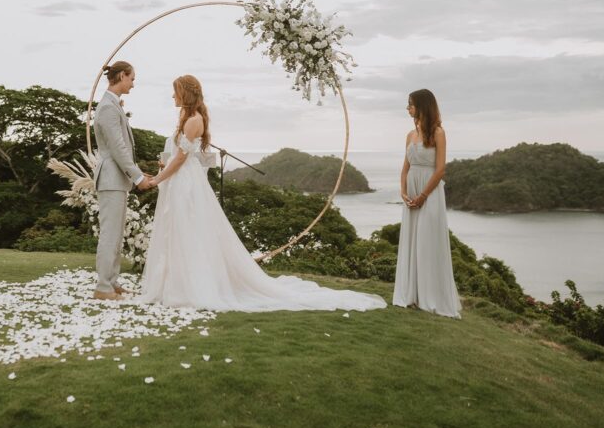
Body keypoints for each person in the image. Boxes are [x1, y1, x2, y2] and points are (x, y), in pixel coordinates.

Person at [138, 75, 387, 313]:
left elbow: (182, 158)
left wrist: (158, 179)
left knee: (189, 230)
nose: (172, 95)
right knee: (177, 229)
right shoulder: (184, 115)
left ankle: (191, 287)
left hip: (186, 182)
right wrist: (165, 169)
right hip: (178, 179)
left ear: (186, 93)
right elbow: (177, 155)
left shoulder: (194, 121)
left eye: (176, 91)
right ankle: (174, 283)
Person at [392, 88, 461, 318]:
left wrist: (422, 196)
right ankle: (410, 294)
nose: (408, 108)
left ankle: (429, 297)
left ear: (423, 106)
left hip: (429, 193)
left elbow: (440, 169)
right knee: (412, 241)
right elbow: (405, 168)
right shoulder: (409, 136)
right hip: (412, 192)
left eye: (411, 104)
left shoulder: (438, 133)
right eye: (408, 104)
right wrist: (404, 192)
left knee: (426, 242)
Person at [91, 61, 154, 300]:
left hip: (116, 179)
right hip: (110, 179)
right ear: (121, 76)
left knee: (116, 234)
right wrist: (137, 177)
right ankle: (103, 288)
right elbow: (117, 148)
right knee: (110, 234)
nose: (134, 83)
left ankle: (112, 282)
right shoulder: (108, 107)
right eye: (132, 78)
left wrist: (138, 172)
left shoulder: (112, 105)